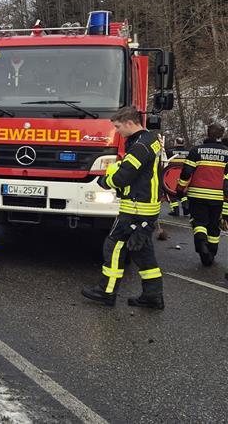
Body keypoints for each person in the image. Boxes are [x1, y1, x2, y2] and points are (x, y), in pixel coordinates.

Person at [82, 106, 164, 309]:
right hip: (146, 207)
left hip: (135, 208)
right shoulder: (150, 140)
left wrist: (105, 180)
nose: (117, 131)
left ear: (130, 123)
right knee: (142, 252)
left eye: (118, 127)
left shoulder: (139, 147)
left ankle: (106, 292)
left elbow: (122, 176)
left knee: (113, 246)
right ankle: (153, 296)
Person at [177, 123, 228, 266]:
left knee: (199, 222)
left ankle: (202, 246)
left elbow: (186, 172)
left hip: (197, 195)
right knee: (213, 226)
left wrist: (180, 189)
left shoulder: (196, 151)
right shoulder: (227, 152)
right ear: (221, 135)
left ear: (207, 133)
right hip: (218, 197)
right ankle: (211, 251)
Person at [165, 137, 190, 216]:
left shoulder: (169, 152)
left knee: (170, 192)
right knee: (183, 191)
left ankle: (175, 210)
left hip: (171, 176)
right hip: (185, 176)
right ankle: (185, 206)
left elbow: (164, 163)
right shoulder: (189, 152)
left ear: (175, 143)